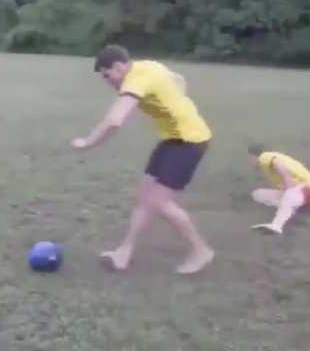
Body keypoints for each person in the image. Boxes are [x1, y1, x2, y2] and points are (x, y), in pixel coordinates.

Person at [71, 45, 214, 274]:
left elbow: (115, 120)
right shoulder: (148, 66)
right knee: (144, 197)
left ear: (119, 66)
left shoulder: (135, 80)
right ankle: (124, 252)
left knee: (159, 202)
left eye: (108, 75)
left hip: (190, 141)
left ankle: (201, 250)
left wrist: (88, 142)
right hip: (171, 138)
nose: (108, 81)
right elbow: (178, 78)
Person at [249, 144, 310, 234]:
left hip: (307, 189)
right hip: (305, 194)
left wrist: (288, 182)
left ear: (252, 156)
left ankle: (277, 225)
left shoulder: (264, 157)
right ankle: (291, 209)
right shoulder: (272, 160)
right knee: (258, 194)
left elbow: (277, 163)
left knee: (290, 192)